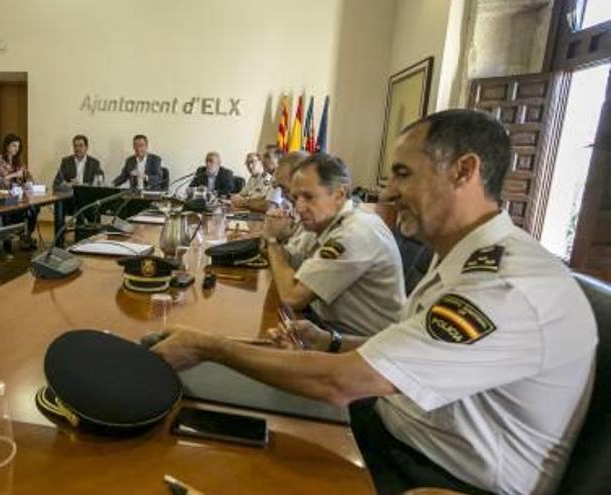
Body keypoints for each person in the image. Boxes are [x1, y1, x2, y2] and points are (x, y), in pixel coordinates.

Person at [151, 110, 597, 495]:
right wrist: (331, 342)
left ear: (464, 171)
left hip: (436, 475)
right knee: (195, 410)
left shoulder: (504, 285)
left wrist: (209, 346)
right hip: (392, 426)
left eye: (403, 174)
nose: (386, 193)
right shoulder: (462, 259)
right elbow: (406, 353)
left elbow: (341, 384)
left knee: (200, 455)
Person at [264, 153, 404, 336]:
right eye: (295, 198)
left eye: (308, 197)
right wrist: (277, 239)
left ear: (339, 195)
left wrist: (273, 242)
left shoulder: (354, 232)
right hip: (327, 331)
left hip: (364, 348)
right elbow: (292, 262)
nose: (298, 207)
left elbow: (291, 297)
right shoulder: (325, 222)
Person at [262, 151, 317, 269]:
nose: (282, 195)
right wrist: (280, 237)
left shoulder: (314, 214)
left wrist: (271, 239)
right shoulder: (297, 208)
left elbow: (296, 265)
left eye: (283, 188)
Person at [0, 133, 39, 249]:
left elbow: (29, 178)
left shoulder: (18, 161)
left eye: (18, 146)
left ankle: (26, 236)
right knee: (17, 209)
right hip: (3, 197)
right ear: (7, 146)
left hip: (19, 197)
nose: (16, 149)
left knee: (35, 207)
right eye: (14, 146)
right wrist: (14, 175)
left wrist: (27, 178)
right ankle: (9, 238)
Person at [52, 135, 104, 241]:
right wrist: (67, 184)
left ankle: (82, 240)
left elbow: (99, 185)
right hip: (69, 200)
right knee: (59, 204)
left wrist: (81, 184)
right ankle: (59, 242)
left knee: (84, 205)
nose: (78, 149)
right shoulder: (66, 162)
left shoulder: (94, 163)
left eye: (81, 145)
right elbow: (56, 183)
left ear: (86, 147)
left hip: (87, 200)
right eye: (75, 146)